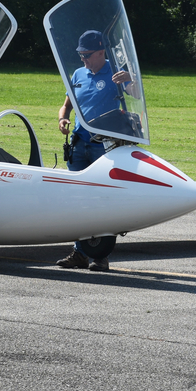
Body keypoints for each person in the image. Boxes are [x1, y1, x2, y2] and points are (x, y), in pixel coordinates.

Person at [55, 29, 140, 272]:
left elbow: (135, 94)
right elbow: (66, 105)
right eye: (81, 54)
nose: (83, 59)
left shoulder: (116, 73)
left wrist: (129, 80)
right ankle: (80, 253)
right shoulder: (79, 73)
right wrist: (62, 120)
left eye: (87, 54)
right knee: (78, 199)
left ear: (101, 51)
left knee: (102, 199)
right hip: (79, 143)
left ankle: (100, 256)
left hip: (103, 146)